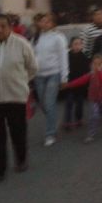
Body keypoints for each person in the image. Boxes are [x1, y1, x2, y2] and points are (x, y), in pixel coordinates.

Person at [0, 14, 38, 187]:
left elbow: (33, 67)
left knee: (18, 131)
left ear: (9, 27)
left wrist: (20, 82)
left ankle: (21, 159)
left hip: (16, 97)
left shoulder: (21, 44)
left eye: (3, 26)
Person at [62, 54, 102, 142]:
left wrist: (99, 72)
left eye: (99, 64)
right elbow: (81, 80)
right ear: (92, 64)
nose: (96, 66)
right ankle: (91, 134)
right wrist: (69, 85)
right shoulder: (91, 74)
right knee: (94, 115)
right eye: (94, 64)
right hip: (94, 98)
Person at [33, 13, 69, 147]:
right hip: (38, 75)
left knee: (49, 103)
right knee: (43, 104)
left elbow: (63, 57)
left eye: (48, 21)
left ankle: (50, 133)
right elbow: (32, 55)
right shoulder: (36, 37)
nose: (45, 23)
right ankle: (53, 120)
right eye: (42, 21)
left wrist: (64, 76)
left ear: (53, 23)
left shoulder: (58, 38)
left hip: (53, 74)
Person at [64, 37, 89, 130]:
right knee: (69, 103)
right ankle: (68, 121)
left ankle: (79, 119)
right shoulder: (66, 56)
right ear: (71, 45)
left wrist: (86, 84)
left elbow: (87, 72)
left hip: (80, 85)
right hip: (69, 84)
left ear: (82, 45)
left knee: (79, 104)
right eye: (75, 44)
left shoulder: (84, 57)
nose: (77, 46)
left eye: (79, 44)